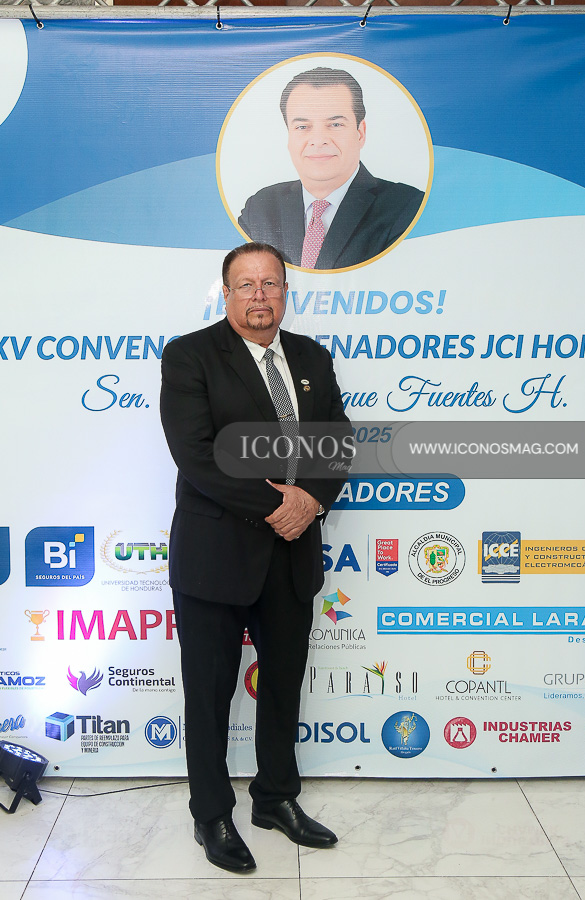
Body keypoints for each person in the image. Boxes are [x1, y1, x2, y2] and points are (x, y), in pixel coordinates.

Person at [160, 241, 350, 873]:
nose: (259, 295)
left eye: (270, 283)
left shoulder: (312, 357)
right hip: (216, 556)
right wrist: (278, 506)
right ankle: (211, 814)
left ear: (285, 293)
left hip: (291, 556)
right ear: (226, 293)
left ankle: (275, 799)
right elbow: (197, 454)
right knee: (209, 693)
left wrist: (311, 500)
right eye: (246, 285)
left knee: (283, 688)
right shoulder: (189, 355)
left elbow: (337, 439)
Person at [238, 67, 425, 270]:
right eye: (302, 127)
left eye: (335, 124)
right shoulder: (260, 208)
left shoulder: (408, 208)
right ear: (289, 136)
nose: (318, 140)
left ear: (360, 133)